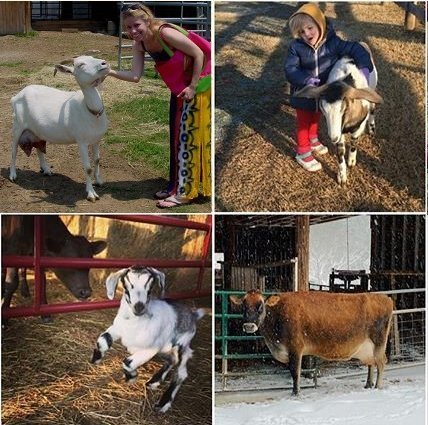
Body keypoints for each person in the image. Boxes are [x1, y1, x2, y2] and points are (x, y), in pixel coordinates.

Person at [108, 3, 211, 208]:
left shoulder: (165, 33)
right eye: (128, 27)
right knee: (176, 139)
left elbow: (199, 53)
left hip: (197, 88)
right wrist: (108, 72)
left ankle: (185, 193)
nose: (133, 31)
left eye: (136, 25)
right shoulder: (140, 44)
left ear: (147, 20)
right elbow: (135, 76)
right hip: (179, 90)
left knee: (188, 139)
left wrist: (193, 86)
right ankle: (175, 185)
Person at [285, 3, 373, 172]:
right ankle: (303, 151)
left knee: (317, 116)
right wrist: (306, 79)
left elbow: (355, 48)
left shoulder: (333, 43)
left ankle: (313, 138)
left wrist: (364, 68)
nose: (306, 34)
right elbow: (290, 69)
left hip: (326, 93)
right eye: (301, 32)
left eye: (310, 28)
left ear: (320, 24)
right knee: (304, 121)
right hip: (304, 93)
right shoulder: (296, 47)